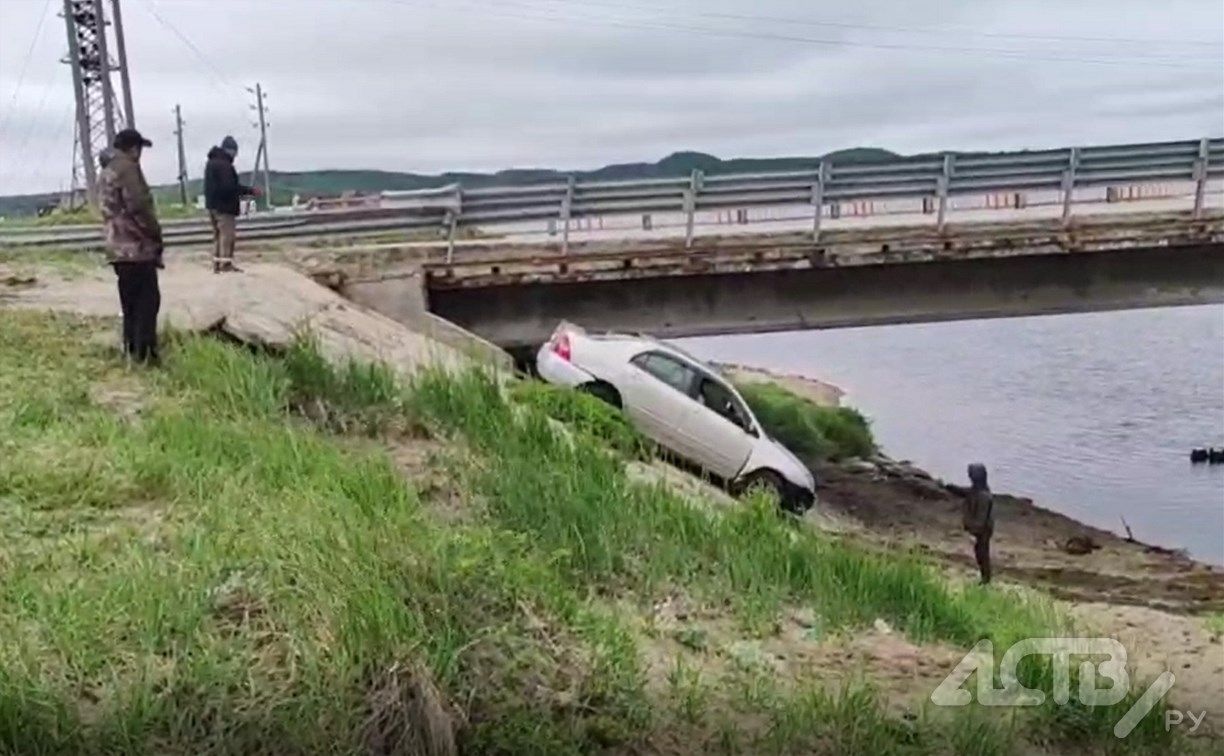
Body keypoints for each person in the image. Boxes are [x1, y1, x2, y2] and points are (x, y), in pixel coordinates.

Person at [97, 128, 163, 366]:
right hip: (136, 247)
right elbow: (139, 205)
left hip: (117, 247)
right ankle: (145, 355)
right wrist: (156, 234)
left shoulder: (107, 171)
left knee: (130, 301)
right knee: (148, 300)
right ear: (134, 148)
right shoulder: (128, 168)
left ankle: (131, 349)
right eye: (139, 149)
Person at [203, 135, 259, 273]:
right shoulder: (225, 165)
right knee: (227, 236)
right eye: (235, 151)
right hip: (224, 207)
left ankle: (217, 264)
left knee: (217, 236)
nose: (236, 155)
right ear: (230, 150)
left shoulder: (211, 163)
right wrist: (249, 191)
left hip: (212, 206)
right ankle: (226, 265)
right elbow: (230, 187)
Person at [961, 462, 995, 585]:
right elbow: (966, 492)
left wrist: (974, 534)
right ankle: (985, 578)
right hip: (981, 529)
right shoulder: (978, 489)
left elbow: (981, 519)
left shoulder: (984, 497)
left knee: (982, 554)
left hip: (983, 531)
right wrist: (950, 487)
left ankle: (986, 579)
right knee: (980, 553)